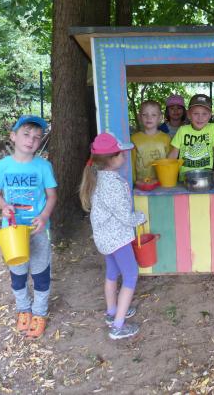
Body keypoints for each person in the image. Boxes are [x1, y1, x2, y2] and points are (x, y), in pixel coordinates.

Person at [0, 115, 58, 340]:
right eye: (26, 134)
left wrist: (45, 216)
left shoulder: (44, 166)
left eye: (37, 137)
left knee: (40, 272)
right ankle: (23, 309)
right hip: (12, 232)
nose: (31, 140)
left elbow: (51, 195)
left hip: (37, 231)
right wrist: (4, 206)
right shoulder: (2, 166)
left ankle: (39, 312)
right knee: (18, 273)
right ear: (13, 136)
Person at [79, 132, 146, 340]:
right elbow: (126, 217)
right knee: (131, 275)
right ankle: (118, 326)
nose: (124, 158)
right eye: (121, 154)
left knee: (111, 273)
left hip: (104, 238)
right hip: (118, 239)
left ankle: (111, 312)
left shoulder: (97, 178)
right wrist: (141, 217)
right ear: (111, 159)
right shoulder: (114, 185)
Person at [168, 94, 214, 180]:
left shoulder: (212, 128)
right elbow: (173, 154)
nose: (200, 118)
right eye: (196, 113)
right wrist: (168, 177)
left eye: (204, 114)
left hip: (206, 178)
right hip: (185, 179)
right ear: (189, 114)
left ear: (210, 115)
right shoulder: (182, 130)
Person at [131, 100, 171, 182]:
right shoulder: (134, 139)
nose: (149, 118)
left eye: (153, 115)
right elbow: (131, 163)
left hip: (162, 182)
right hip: (141, 183)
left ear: (160, 118)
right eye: (145, 114)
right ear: (139, 117)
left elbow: (170, 162)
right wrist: (133, 182)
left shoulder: (166, 138)